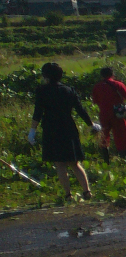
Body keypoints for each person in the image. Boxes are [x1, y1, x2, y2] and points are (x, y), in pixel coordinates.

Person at [29, 62, 100, 201]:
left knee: (60, 164)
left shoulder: (42, 91)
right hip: (69, 128)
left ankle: (68, 195)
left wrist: (32, 130)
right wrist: (91, 124)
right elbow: (80, 110)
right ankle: (87, 192)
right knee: (75, 163)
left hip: (51, 129)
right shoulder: (69, 90)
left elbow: (38, 112)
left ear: (46, 76)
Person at [90, 66, 126, 163]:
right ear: (112, 74)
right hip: (117, 114)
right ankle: (124, 158)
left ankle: (106, 159)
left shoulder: (97, 87)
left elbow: (95, 101)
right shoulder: (118, 84)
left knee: (104, 136)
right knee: (122, 135)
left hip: (104, 114)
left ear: (101, 75)